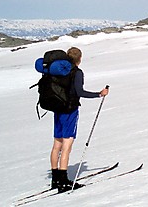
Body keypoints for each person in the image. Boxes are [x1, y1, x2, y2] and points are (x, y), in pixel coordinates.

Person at [50, 47, 109, 193]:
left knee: (57, 144)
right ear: (79, 59)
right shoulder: (77, 72)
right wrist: (99, 94)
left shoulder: (59, 71)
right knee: (67, 145)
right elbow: (80, 92)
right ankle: (64, 182)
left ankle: (55, 179)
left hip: (57, 109)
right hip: (70, 111)